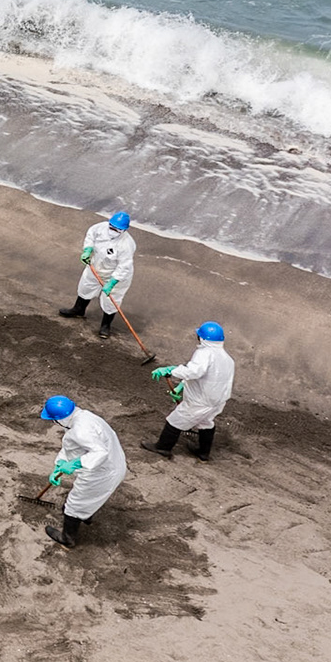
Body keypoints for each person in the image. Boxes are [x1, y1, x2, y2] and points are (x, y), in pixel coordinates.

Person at [39, 394, 127, 548]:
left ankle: (68, 538)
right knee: (91, 498)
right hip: (115, 464)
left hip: (102, 473)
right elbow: (72, 447)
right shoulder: (83, 417)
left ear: (59, 419)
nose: (54, 423)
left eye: (53, 420)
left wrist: (76, 463)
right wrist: (59, 464)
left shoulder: (80, 431)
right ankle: (86, 514)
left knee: (75, 503)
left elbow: (99, 453)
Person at [143, 322, 235, 461]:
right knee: (206, 422)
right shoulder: (227, 359)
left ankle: (163, 447)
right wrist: (182, 387)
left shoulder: (204, 353)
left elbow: (193, 372)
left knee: (176, 419)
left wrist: (171, 370)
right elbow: (207, 376)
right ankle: (203, 452)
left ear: (203, 338)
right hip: (217, 400)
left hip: (201, 400)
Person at [59, 210, 135, 338]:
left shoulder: (127, 244)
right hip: (96, 266)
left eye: (117, 229)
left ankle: (106, 326)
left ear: (124, 230)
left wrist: (112, 282)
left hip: (115, 274)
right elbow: (90, 236)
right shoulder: (100, 228)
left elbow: (124, 266)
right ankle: (78, 310)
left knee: (111, 300)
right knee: (86, 287)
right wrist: (87, 250)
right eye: (112, 227)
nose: (113, 230)